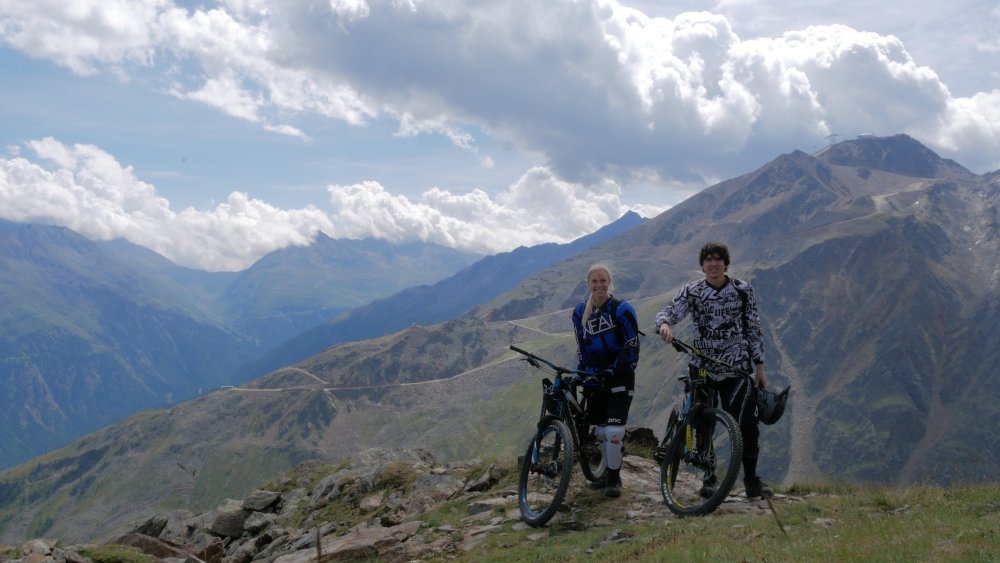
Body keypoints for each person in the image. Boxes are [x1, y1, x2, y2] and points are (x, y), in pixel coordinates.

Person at [654, 242, 773, 499]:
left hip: (737, 369)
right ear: (702, 265)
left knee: (747, 425)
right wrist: (664, 325)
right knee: (702, 425)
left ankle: (752, 481)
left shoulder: (742, 290)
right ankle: (708, 478)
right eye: (708, 259)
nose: (713, 264)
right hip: (703, 368)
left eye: (718, 259)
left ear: (725, 263)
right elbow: (671, 311)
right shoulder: (693, 291)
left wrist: (759, 367)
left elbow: (753, 328)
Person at [572, 264, 641, 498]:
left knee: (613, 430)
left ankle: (614, 479)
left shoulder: (622, 309)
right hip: (594, 378)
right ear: (588, 283)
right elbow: (581, 347)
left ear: (609, 283)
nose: (599, 285)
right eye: (595, 281)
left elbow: (632, 345)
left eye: (603, 281)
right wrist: (581, 372)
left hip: (619, 377)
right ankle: (602, 474)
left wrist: (615, 368)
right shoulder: (581, 311)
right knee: (600, 431)